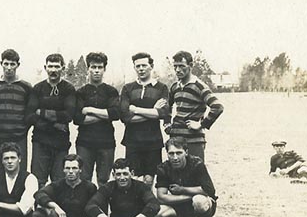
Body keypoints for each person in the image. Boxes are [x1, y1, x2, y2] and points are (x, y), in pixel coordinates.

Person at [23, 153, 98, 217]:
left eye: (74, 168)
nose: (70, 172)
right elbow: (39, 194)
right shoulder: (58, 185)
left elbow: (92, 209)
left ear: (80, 170)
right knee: (41, 208)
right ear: (63, 170)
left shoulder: (89, 187)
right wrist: (55, 206)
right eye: (67, 168)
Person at [86, 158, 161, 217]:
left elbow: (154, 204)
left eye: (125, 173)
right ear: (113, 175)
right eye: (118, 174)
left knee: (152, 214)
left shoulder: (141, 186)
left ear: (132, 173)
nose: (122, 178)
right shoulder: (109, 187)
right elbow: (90, 205)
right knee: (94, 214)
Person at [155, 137, 218, 217]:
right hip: (180, 204)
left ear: (186, 152)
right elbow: (161, 197)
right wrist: (189, 196)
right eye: (171, 153)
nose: (175, 157)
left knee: (199, 200)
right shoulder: (163, 168)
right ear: (167, 154)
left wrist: (183, 189)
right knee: (158, 213)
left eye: (179, 153)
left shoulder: (196, 164)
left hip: (203, 204)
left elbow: (209, 190)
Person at [25, 53, 77, 185]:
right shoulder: (38, 88)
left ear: (62, 68)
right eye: (50, 66)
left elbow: (69, 115)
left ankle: (56, 206)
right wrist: (54, 125)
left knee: (59, 181)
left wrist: (41, 112)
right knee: (38, 180)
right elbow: (30, 116)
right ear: (45, 67)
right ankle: (39, 206)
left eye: (57, 66)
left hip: (60, 142)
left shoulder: (68, 89)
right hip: (40, 141)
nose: (53, 70)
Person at [164, 50, 224, 162]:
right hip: (175, 139)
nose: (177, 70)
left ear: (190, 66)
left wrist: (201, 124)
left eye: (181, 66)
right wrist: (167, 124)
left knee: (196, 173)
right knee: (176, 174)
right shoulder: (174, 87)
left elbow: (218, 107)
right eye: (175, 66)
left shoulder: (199, 86)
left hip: (194, 140)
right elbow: (168, 105)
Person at [119, 52, 168, 183]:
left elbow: (163, 113)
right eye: (138, 66)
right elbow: (125, 116)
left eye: (144, 65)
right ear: (134, 67)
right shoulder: (127, 88)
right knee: (133, 178)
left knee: (149, 180)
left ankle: (148, 203)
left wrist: (136, 109)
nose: (141, 69)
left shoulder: (161, 88)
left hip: (153, 141)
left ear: (151, 66)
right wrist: (153, 112)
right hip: (132, 141)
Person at [74, 51, 120, 185]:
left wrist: (89, 110)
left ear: (104, 69)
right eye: (93, 67)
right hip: (85, 142)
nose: (96, 71)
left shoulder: (111, 91)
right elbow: (78, 119)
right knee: (84, 180)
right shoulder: (81, 92)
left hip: (106, 142)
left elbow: (115, 113)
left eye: (100, 67)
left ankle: (102, 206)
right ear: (88, 68)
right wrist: (106, 115)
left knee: (103, 180)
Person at [0, 48, 33, 174]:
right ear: (1, 63)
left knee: (19, 173)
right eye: (6, 64)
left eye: (12, 64)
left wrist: (22, 130)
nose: (9, 67)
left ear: (18, 65)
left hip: (18, 138)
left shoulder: (26, 87)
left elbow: (29, 113)